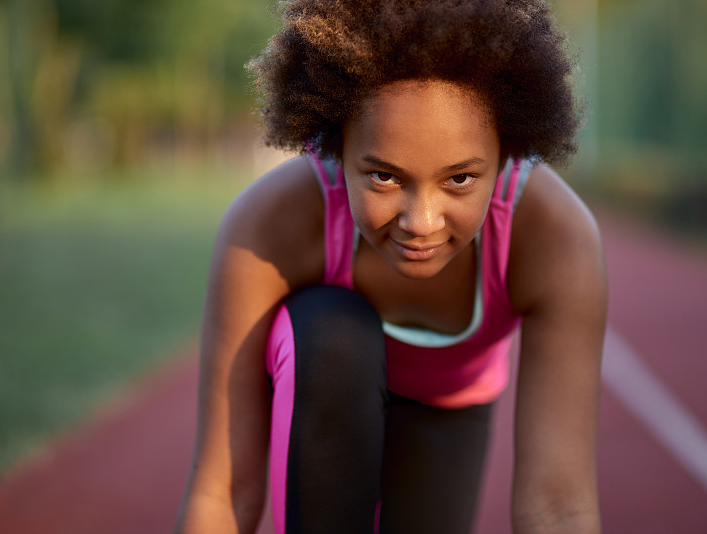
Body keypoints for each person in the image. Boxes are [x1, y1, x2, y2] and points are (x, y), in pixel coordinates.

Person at [176, 0, 607, 533]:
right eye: (384, 177)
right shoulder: (273, 225)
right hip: (324, 384)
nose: (420, 223)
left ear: (508, 152)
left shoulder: (554, 239)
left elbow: (557, 506)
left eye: (460, 180)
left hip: (450, 411)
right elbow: (223, 494)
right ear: (333, 141)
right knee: (334, 332)